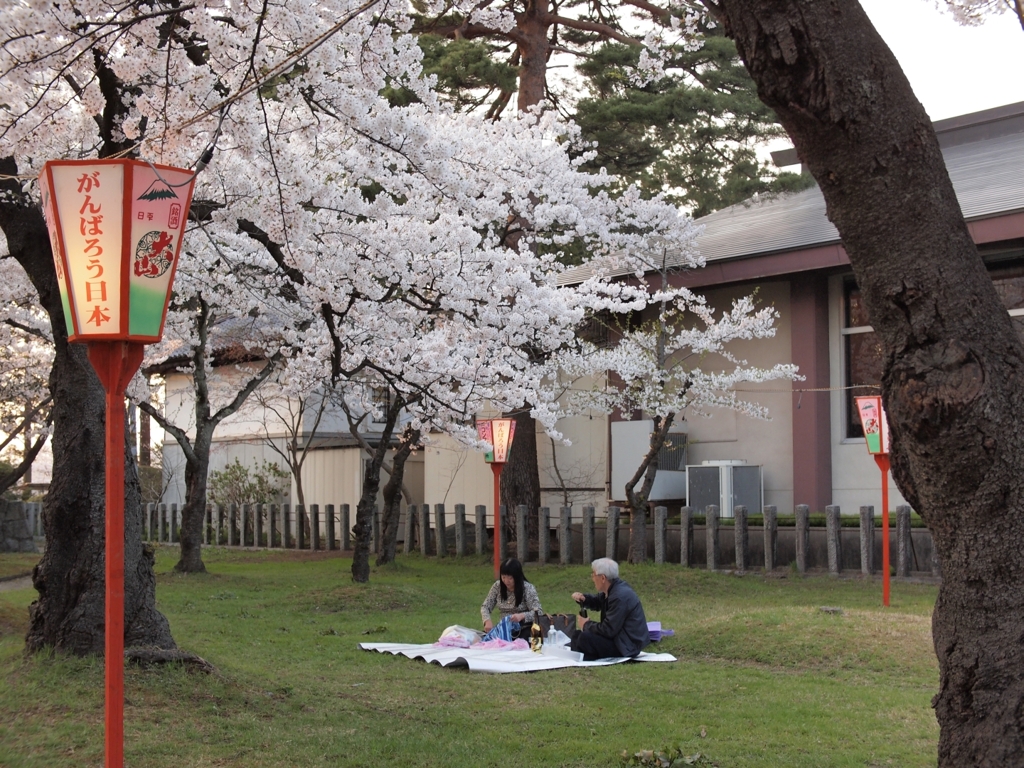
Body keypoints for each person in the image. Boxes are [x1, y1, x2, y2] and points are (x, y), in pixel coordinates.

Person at [570, 558, 650, 661]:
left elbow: (608, 629)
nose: (592, 578)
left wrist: (586, 624)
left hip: (627, 645)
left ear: (603, 578)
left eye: (594, 575)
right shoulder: (613, 589)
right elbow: (598, 602)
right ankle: (585, 655)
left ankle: (587, 656)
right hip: (619, 639)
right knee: (577, 635)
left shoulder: (620, 596)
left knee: (585, 638)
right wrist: (584, 599)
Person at [481, 558, 543, 637]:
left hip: (523, 628)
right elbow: (485, 606)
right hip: (504, 628)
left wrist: (521, 616)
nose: (506, 581)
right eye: (503, 577)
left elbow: (538, 612)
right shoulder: (497, 586)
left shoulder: (528, 588)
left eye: (510, 578)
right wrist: (487, 621)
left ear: (517, 577)